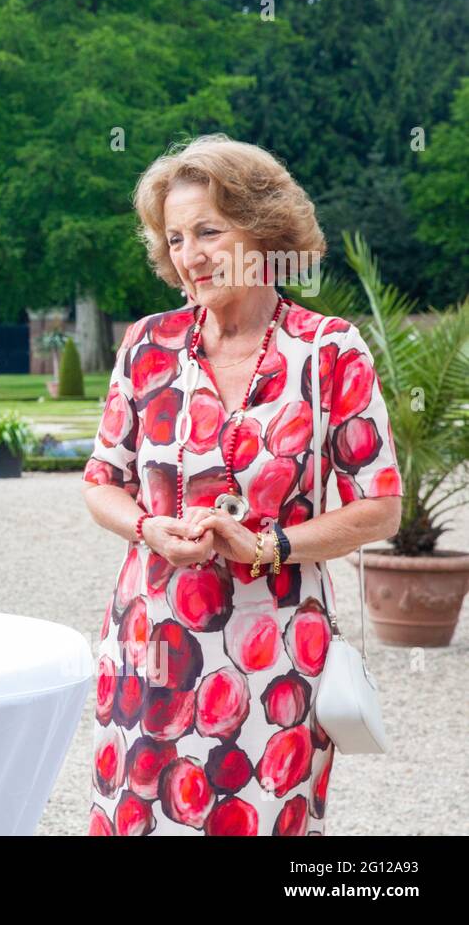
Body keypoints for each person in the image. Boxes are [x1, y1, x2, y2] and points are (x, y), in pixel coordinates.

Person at [81, 134, 402, 835]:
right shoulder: (145, 345)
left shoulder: (329, 350)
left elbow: (379, 508)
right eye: (174, 237)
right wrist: (146, 527)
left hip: (278, 649)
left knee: (264, 816)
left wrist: (265, 545)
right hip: (151, 639)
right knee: (142, 812)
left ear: (262, 231)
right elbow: (102, 481)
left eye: (207, 230)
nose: (188, 255)